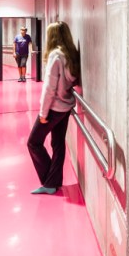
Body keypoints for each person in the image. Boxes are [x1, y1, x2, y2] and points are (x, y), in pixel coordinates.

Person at [26, 21, 80, 194]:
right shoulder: (70, 53)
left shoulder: (55, 55)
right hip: (66, 106)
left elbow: (49, 87)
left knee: (33, 142)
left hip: (53, 108)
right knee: (57, 144)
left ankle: (50, 181)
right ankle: (52, 182)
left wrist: (43, 113)